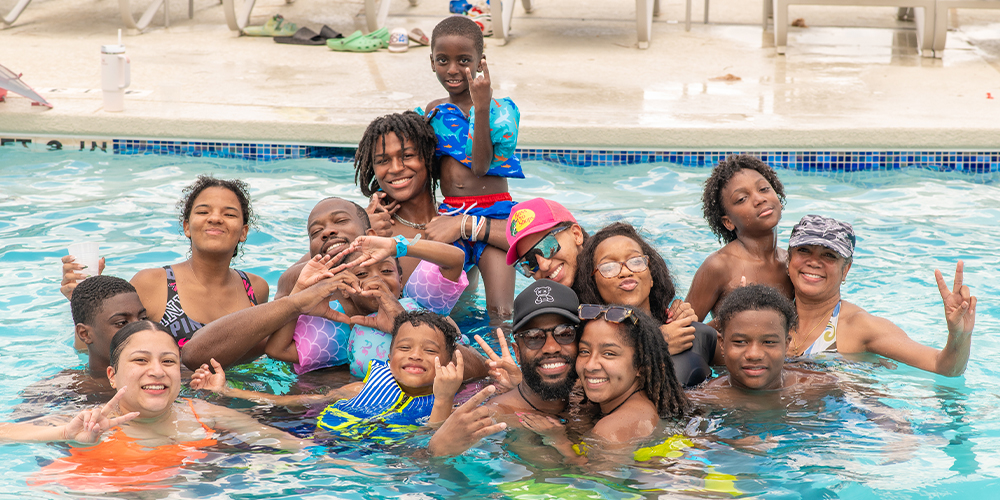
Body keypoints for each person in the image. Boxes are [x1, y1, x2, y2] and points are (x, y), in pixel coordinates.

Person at [1, 321, 307, 492]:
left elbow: (292, 447)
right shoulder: (86, 423)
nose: (157, 371)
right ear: (112, 376)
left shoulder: (202, 413)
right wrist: (64, 434)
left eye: (168, 361)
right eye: (140, 360)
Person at [191, 311, 466, 442]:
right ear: (389, 356)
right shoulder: (360, 389)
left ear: (448, 362)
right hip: (316, 440)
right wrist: (227, 391)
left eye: (430, 350)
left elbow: (433, 442)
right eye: (404, 348)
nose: (415, 355)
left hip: (371, 462)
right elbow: (298, 401)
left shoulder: (447, 407)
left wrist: (443, 398)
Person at [60, 176, 268, 348]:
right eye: (203, 212)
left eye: (229, 214)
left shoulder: (255, 288)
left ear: (243, 232)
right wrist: (83, 302)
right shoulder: (152, 283)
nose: (215, 218)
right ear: (187, 227)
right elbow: (95, 350)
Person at [181, 196, 375, 370]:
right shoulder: (302, 293)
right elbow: (193, 355)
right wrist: (295, 303)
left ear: (372, 235)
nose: (327, 232)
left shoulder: (389, 278)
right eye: (316, 232)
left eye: (341, 220)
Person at [419, 15, 521, 319]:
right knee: (441, 311)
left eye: (464, 60)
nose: (452, 69)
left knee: (501, 312)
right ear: (432, 62)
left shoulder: (500, 111)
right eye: (443, 60)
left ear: (480, 62)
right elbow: (425, 171)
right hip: (450, 213)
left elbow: (480, 166)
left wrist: (481, 107)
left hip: (494, 213)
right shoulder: (433, 111)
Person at [786, 215, 976, 376]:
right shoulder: (773, 316)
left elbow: (941, 366)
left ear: (846, 270)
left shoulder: (860, 327)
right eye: (804, 250)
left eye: (829, 255)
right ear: (788, 259)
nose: (814, 262)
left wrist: (959, 336)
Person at [427, 279, 584, 458]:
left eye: (565, 333)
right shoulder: (496, 417)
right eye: (534, 337)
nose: (551, 347)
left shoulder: (589, 397)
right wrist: (436, 450)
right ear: (517, 352)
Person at [520, 305, 690, 459]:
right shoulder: (641, 404)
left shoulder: (610, 429)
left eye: (609, 354)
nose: (590, 365)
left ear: (641, 365)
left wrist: (559, 440)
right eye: (584, 351)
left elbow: (590, 480)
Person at [574, 222, 718, 385]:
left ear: (651, 276)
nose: (626, 271)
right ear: (592, 284)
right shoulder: (584, 350)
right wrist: (655, 345)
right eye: (609, 267)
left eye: (636, 261)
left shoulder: (696, 335)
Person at [13, 276, 148, 420]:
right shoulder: (59, 390)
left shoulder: (161, 377)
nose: (139, 329)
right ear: (85, 334)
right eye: (121, 323)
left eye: (143, 319)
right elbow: (20, 426)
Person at [685, 154, 793, 324]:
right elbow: (683, 332)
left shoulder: (791, 265)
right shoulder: (719, 266)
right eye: (742, 199)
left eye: (764, 189)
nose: (759, 199)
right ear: (728, 222)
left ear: (778, 196)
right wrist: (731, 318)